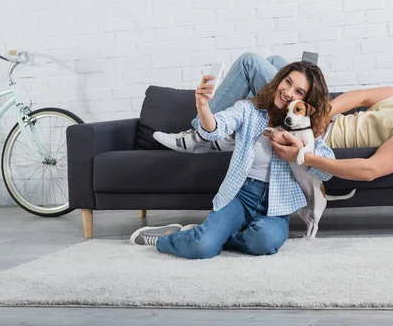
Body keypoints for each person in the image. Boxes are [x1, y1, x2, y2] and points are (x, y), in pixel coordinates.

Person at [154, 52, 393, 182]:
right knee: (279, 62)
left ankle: (200, 134)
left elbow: (371, 170)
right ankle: (233, 130)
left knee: (252, 63)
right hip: (318, 120)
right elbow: (361, 97)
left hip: (312, 137)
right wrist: (323, 112)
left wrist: (305, 155)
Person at [129, 60, 335, 259]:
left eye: (299, 92)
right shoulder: (249, 111)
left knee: (265, 242)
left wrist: (302, 154)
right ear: (279, 79)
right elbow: (216, 128)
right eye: (288, 82)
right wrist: (202, 106)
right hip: (240, 195)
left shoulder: (304, 129)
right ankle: (170, 238)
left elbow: (328, 168)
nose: (289, 93)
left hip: (276, 205)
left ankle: (209, 233)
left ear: (305, 102)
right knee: (202, 247)